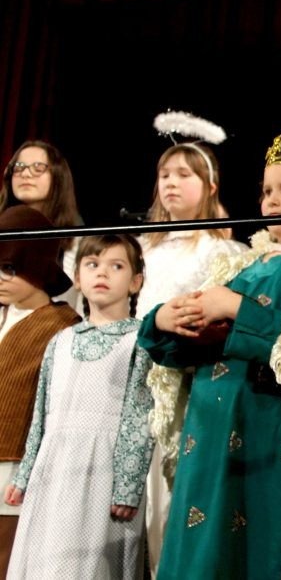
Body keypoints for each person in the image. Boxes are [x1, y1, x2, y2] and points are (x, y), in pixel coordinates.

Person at [138, 124, 281, 578]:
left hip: (266, 429)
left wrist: (236, 309)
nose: (272, 200)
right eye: (266, 191)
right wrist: (163, 321)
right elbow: (192, 341)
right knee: (196, 545)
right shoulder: (240, 262)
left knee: (249, 546)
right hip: (210, 427)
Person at [5, 234, 152, 578]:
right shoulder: (61, 339)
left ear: (135, 282)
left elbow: (139, 414)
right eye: (92, 265)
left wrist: (127, 486)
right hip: (53, 469)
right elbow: (41, 415)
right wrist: (26, 474)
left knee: (87, 564)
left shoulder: (140, 339)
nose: (102, 273)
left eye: (116, 266)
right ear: (77, 277)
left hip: (103, 469)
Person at [137, 119, 247, 572]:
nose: (172, 184)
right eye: (165, 175)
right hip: (135, 381)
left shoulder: (221, 251)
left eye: (185, 175)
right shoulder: (144, 247)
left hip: (181, 388)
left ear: (210, 185)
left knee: (171, 498)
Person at [0, 206, 81, 576]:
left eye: (10, 269)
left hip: (16, 464)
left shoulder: (62, 325)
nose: (0, 278)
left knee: (7, 556)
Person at [0, 141, 84, 310]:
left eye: (38, 167)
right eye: (19, 167)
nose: (26, 174)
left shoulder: (75, 238)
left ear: (58, 176)